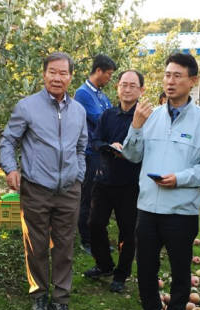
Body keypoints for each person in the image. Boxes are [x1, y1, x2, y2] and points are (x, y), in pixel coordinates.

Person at [120, 53, 200, 310]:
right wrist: (135, 127)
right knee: (146, 265)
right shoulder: (149, 116)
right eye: (167, 75)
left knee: (180, 270)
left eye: (177, 76)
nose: (170, 81)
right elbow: (132, 155)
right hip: (148, 208)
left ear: (192, 81)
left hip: (181, 210)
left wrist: (181, 179)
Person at [0, 52, 87, 310]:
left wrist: (79, 174)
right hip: (37, 187)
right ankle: (39, 295)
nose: (57, 77)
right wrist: (11, 168)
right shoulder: (27, 107)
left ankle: (61, 299)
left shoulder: (79, 111)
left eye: (63, 73)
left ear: (71, 77)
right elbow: (7, 141)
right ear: (44, 74)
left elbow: (82, 147)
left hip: (69, 189)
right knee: (36, 245)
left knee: (64, 245)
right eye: (52, 72)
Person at [83, 70, 145, 293]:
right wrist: (108, 147)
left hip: (131, 183)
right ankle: (104, 264)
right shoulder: (107, 115)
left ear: (141, 90)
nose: (127, 89)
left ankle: (121, 273)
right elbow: (95, 140)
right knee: (95, 224)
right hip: (104, 178)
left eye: (132, 86)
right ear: (117, 87)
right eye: (123, 85)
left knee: (127, 231)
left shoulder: (145, 117)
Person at [74, 54, 117, 254]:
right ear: (98, 71)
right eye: (108, 74)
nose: (109, 78)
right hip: (91, 152)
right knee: (88, 197)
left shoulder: (100, 94)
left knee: (100, 198)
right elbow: (100, 118)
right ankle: (86, 240)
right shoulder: (83, 94)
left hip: (103, 152)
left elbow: (112, 115)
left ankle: (98, 239)